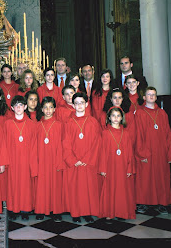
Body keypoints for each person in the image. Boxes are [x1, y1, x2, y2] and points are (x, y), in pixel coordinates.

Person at [135, 87, 171, 214]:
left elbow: (167, 134)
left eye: (153, 95)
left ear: (156, 97)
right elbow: (138, 134)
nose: (151, 97)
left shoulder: (162, 113)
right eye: (148, 94)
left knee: (161, 178)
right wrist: (140, 152)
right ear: (144, 97)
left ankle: (162, 203)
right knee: (145, 178)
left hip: (160, 152)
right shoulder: (140, 113)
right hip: (146, 151)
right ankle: (143, 202)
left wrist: (169, 153)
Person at [63, 92, 100, 223]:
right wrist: (73, 160)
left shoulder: (93, 122)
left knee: (88, 187)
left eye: (82, 103)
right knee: (75, 187)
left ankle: (87, 212)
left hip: (88, 162)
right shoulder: (68, 122)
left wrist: (86, 159)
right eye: (76, 103)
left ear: (87, 104)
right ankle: (76, 212)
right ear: (73, 105)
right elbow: (65, 143)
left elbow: (97, 142)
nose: (79, 105)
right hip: (74, 162)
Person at [4, 95, 38, 220]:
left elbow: (34, 146)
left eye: (21, 105)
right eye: (16, 106)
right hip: (12, 160)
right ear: (12, 108)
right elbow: (4, 144)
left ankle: (25, 209)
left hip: (26, 160)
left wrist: (33, 164)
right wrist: (5, 162)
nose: (18, 108)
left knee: (25, 185)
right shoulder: (8, 124)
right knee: (13, 184)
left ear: (25, 107)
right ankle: (13, 209)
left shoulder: (31, 124)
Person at [99, 107, 136, 221]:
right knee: (110, 188)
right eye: (113, 116)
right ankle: (110, 212)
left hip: (123, 165)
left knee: (122, 189)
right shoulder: (105, 133)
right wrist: (103, 168)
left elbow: (130, 152)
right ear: (109, 118)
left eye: (118, 116)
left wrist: (130, 168)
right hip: (110, 166)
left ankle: (122, 212)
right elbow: (102, 152)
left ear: (122, 118)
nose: (116, 118)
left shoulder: (126, 133)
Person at [35, 97, 64, 222]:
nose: (48, 110)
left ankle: (55, 210)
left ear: (54, 109)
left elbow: (63, 144)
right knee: (41, 185)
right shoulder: (37, 125)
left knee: (55, 185)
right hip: (41, 159)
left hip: (54, 159)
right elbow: (34, 145)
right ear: (41, 109)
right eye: (45, 107)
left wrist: (59, 161)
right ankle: (41, 209)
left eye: (51, 107)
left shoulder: (59, 125)